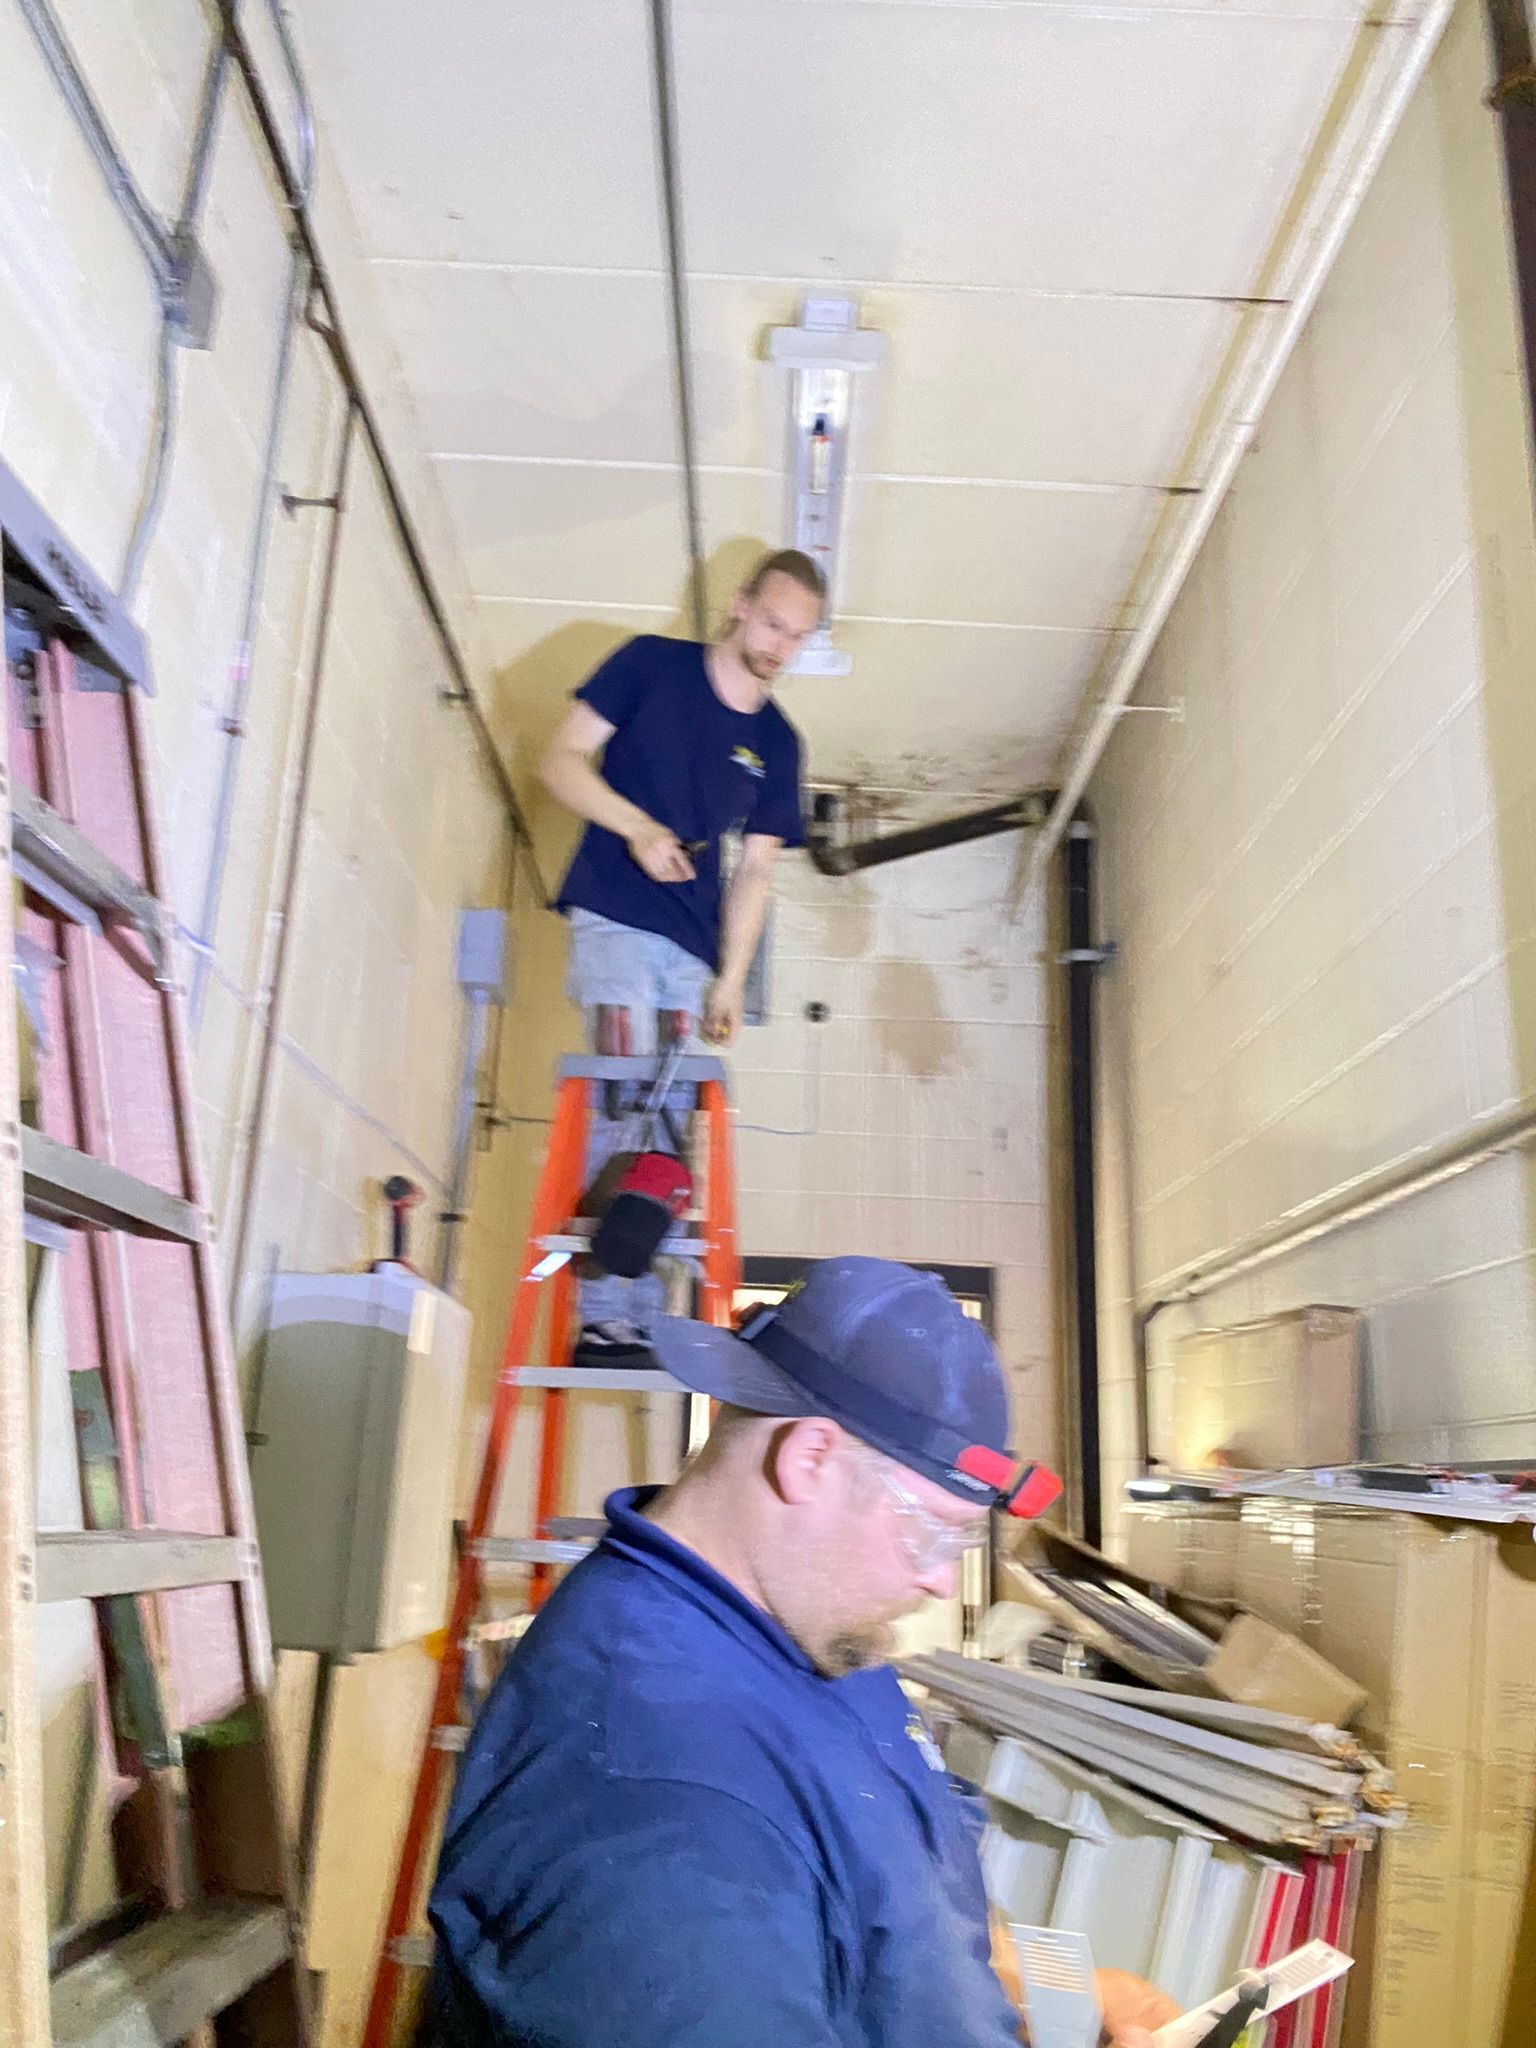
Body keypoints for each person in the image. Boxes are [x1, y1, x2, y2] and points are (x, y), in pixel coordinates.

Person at [423, 1257, 1181, 2047]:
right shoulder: (664, 1804)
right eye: (931, 1530)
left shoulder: (808, 1629)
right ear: (807, 1460)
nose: (935, 1579)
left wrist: (1067, 1993)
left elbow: (912, 1890)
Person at [539, 551, 822, 1369]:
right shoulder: (649, 667)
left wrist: (731, 979)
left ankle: (644, 1311)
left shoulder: (777, 743)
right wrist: (635, 828)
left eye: (797, 637)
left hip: (692, 942)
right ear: (739, 606)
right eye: (772, 623)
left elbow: (758, 869)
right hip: (617, 908)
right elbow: (559, 761)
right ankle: (601, 1312)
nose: (779, 645)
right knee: (622, 1089)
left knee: (668, 1120)